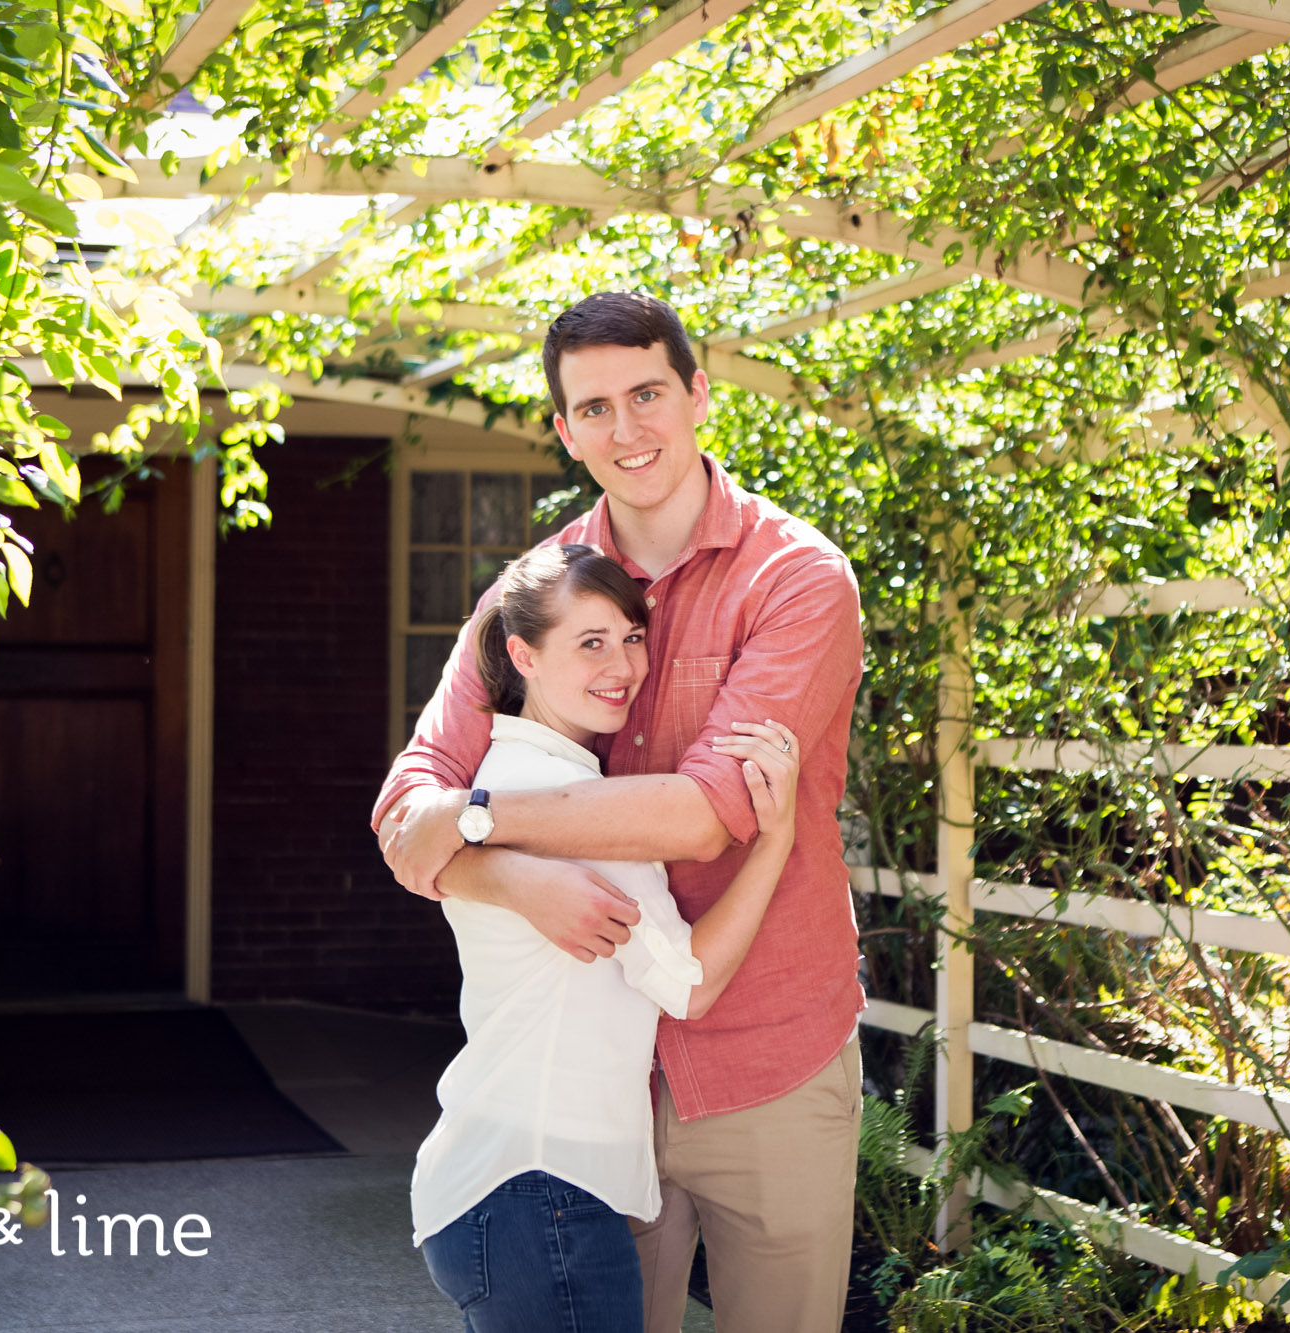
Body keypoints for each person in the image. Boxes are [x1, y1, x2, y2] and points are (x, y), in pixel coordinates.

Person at [373, 292, 868, 1333]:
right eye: (592, 407)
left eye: (646, 393)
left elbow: (701, 815)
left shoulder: (795, 579)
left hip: (766, 1056)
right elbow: (407, 807)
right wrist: (503, 870)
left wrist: (475, 821)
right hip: (593, 1102)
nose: (625, 428)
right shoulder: (533, 594)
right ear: (563, 429)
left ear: (695, 394)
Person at [412, 540, 800, 1333]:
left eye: (630, 637)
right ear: (523, 654)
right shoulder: (571, 809)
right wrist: (776, 841)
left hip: (499, 1188)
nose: (622, 663)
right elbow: (690, 983)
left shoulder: (497, 777)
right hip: (540, 1195)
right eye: (589, 643)